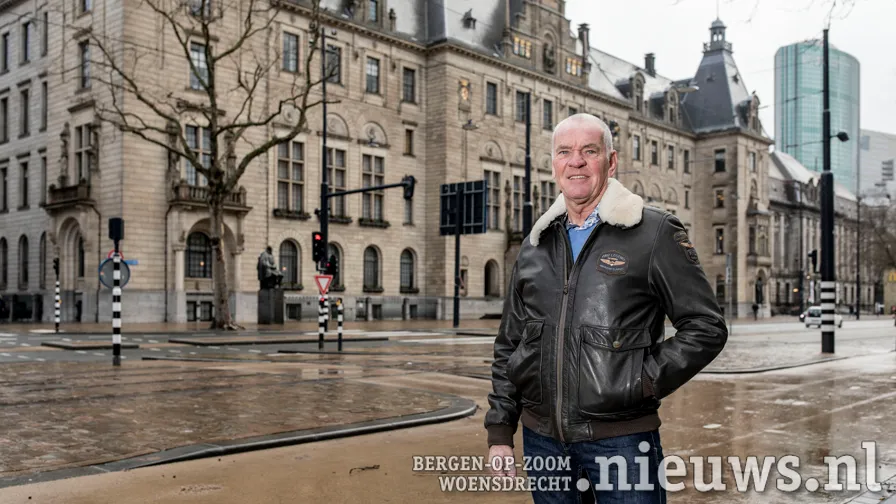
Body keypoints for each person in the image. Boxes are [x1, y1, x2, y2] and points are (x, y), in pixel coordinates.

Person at [484, 114, 728, 503]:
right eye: (565, 152)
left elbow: (706, 326)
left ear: (610, 162)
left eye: (589, 151)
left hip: (623, 443)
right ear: (554, 164)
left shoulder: (654, 233)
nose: (575, 162)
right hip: (543, 442)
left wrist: (641, 380)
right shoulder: (535, 244)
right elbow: (510, 344)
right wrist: (500, 432)